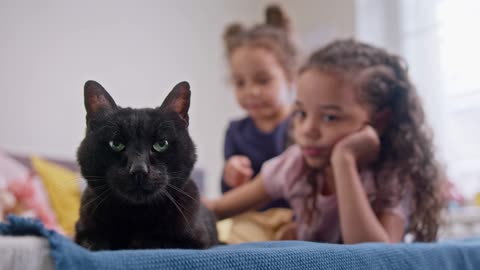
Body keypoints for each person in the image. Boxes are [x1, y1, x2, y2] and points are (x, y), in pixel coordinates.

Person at [206, 39, 443, 243]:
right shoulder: (295, 165)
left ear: (379, 120)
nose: (307, 130)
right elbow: (217, 208)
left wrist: (344, 160)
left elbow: (375, 257)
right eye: (301, 113)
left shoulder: (391, 176)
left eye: (330, 117)